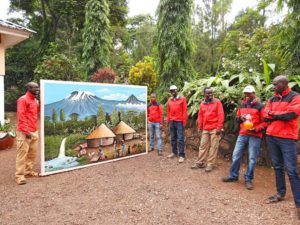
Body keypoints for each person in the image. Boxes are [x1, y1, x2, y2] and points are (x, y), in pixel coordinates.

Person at [263, 75, 300, 219]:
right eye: (273, 84)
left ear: (284, 84)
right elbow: (265, 115)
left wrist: (273, 114)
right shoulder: (272, 98)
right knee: (277, 167)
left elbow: (291, 115)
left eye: (276, 84)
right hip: (272, 136)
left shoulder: (295, 96)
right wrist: (274, 114)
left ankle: (298, 204)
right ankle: (280, 193)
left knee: (292, 171)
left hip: (287, 139)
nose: (273, 87)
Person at [221, 85, 267, 189]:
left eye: (249, 93)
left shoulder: (260, 106)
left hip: (255, 135)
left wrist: (256, 129)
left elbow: (265, 123)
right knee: (236, 155)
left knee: (252, 158)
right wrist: (240, 118)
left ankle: (248, 179)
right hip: (243, 133)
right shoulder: (242, 104)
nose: (247, 95)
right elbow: (237, 118)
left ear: (254, 93)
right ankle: (233, 176)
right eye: (246, 93)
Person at [190, 87, 224, 172]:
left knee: (213, 147)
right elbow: (200, 116)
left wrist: (219, 127)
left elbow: (221, 115)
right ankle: (200, 162)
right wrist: (199, 127)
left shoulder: (217, 102)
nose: (210, 94)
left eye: (211, 93)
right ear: (204, 94)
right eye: (208, 93)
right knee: (202, 146)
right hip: (205, 128)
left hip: (215, 128)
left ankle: (210, 164)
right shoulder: (202, 104)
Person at [15, 82, 40, 185]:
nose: (38, 89)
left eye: (38, 87)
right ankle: (19, 176)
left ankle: (28, 171)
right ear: (29, 88)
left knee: (32, 153)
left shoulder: (35, 100)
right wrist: (26, 131)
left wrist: (41, 104)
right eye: (35, 88)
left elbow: (36, 112)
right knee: (22, 154)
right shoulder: (22, 100)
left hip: (34, 130)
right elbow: (21, 116)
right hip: (25, 132)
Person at [167, 85, 187, 163]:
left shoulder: (182, 99)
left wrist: (184, 121)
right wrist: (168, 120)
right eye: (171, 91)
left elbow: (185, 110)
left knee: (180, 138)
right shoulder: (170, 100)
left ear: (177, 90)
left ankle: (181, 155)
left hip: (179, 121)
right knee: (173, 138)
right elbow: (168, 111)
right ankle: (174, 152)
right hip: (172, 121)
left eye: (174, 90)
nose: (172, 92)